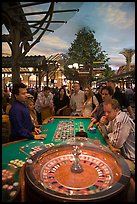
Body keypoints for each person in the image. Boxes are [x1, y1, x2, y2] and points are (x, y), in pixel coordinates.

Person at [100, 98, 135, 164]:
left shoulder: (120, 119)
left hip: (131, 159)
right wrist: (102, 124)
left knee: (108, 163)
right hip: (124, 154)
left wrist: (110, 135)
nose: (106, 114)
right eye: (105, 112)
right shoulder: (112, 118)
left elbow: (116, 144)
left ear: (116, 110)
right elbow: (107, 132)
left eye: (109, 112)